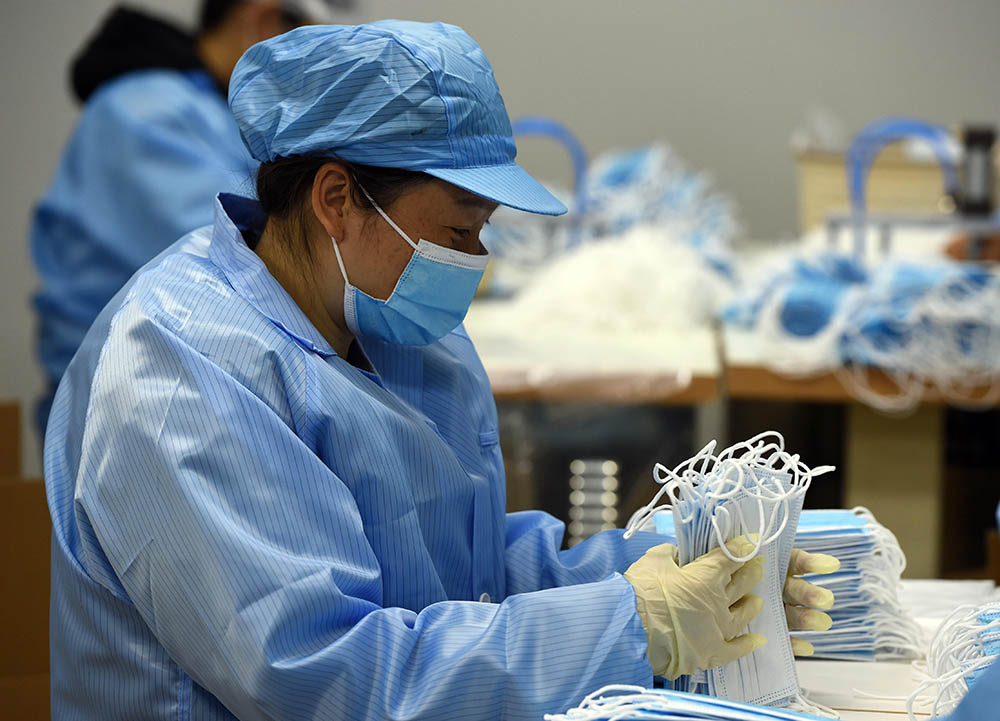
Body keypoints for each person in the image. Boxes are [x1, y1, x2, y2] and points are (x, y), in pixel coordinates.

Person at [44, 21, 838, 720]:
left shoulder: (397, 328)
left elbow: (472, 571)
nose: (474, 261)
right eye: (459, 230)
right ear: (336, 198)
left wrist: (665, 568)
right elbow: (332, 680)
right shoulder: (177, 374)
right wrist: (633, 622)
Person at [30, 0, 356, 439]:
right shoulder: (150, 112)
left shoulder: (210, 109)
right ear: (263, 19)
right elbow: (257, 257)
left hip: (188, 385)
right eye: (321, 56)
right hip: (130, 410)